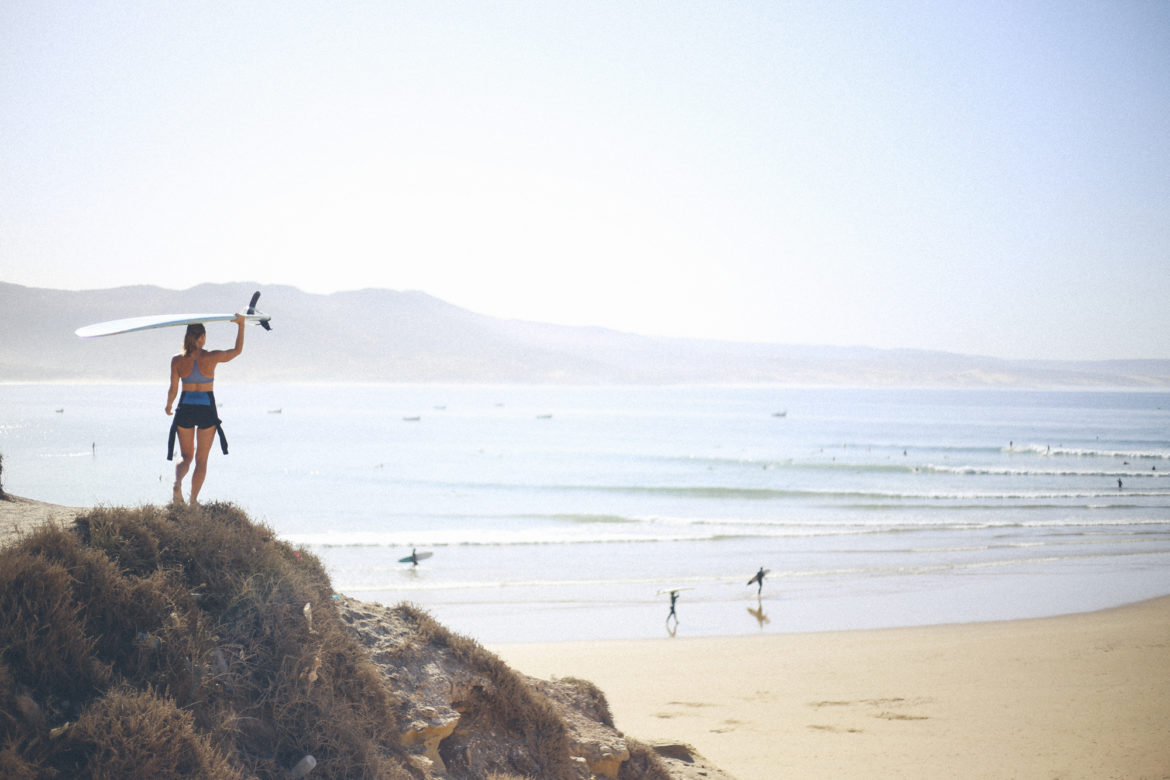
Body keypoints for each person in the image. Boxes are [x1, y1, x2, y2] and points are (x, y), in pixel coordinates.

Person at [165, 316, 245, 505]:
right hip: (206, 408)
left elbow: (173, 388)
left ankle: (177, 483)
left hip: (185, 407)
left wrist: (169, 405)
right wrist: (241, 326)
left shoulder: (177, 361)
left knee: (186, 457)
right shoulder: (211, 357)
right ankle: (193, 501)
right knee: (201, 459)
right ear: (202, 337)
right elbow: (237, 351)